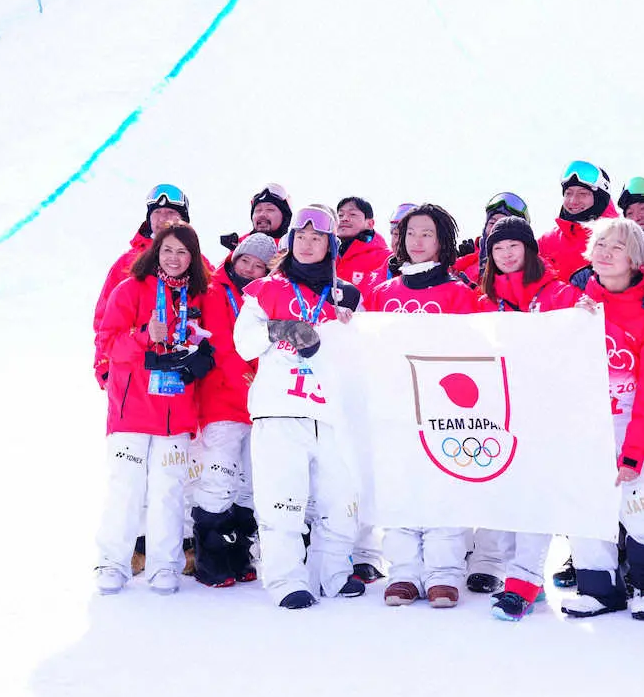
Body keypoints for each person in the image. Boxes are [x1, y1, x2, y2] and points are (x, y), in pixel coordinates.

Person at [233, 204, 365, 610]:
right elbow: (243, 343)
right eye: (301, 238)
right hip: (279, 410)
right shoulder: (265, 289)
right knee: (283, 501)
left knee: (339, 502)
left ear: (330, 245)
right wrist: (277, 327)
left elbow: (362, 354)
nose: (307, 245)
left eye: (317, 239)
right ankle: (286, 579)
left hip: (331, 413)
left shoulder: (347, 295)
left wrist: (351, 328)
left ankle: (333, 573)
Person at [559, 218, 644, 621]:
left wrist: (634, 452)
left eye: (618, 247)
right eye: (601, 245)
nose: (606, 253)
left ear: (636, 258)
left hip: (638, 423)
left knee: (643, 503)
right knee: (586, 503)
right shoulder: (579, 306)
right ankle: (598, 588)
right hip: (588, 426)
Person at [466, 217, 584, 615]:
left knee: (535, 495)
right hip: (498, 411)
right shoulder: (483, 300)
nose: (506, 254)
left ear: (529, 249)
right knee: (504, 496)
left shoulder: (559, 294)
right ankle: (515, 574)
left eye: (513, 246)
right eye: (498, 248)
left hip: (547, 411)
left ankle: (523, 583)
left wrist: (586, 313)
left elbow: (581, 337)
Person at [367, 204, 479, 608]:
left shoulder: (459, 293)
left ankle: (443, 573)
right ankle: (403, 573)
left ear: (442, 241)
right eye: (410, 233)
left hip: (443, 407)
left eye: (427, 233)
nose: (417, 241)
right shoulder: (383, 293)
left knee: (443, 486)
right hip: (394, 405)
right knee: (399, 486)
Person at [94, 222, 216, 595]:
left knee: (169, 491)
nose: (174, 259)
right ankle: (112, 563)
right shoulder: (129, 289)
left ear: (193, 258)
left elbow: (213, 342)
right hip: (132, 408)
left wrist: (201, 357)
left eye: (183, 252)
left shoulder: (199, 297)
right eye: (167, 250)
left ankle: (164, 565)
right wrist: (144, 336)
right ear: (155, 253)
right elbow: (108, 343)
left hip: (176, 410)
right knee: (126, 489)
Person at [190, 233, 276, 588]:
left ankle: (239, 554)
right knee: (219, 477)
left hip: (256, 403)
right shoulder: (214, 291)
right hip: (223, 400)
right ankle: (210, 560)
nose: (250, 270)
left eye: (259, 266)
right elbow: (222, 346)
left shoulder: (266, 295)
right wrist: (252, 385)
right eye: (246, 261)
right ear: (234, 258)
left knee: (249, 484)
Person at [93, 184, 192, 390]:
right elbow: (104, 319)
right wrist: (103, 365)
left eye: (170, 212)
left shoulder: (197, 263)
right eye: (157, 213)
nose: (163, 218)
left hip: (181, 378)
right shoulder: (127, 263)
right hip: (133, 376)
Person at [538, 160, 618, 282]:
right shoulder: (547, 242)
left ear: (599, 198)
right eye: (568, 193)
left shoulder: (622, 237)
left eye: (583, 194)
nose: (573, 200)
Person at [455, 192, 530, 288]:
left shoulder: (530, 267)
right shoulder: (468, 265)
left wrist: (473, 291)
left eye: (502, 223)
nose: (495, 228)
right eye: (492, 222)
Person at [336, 196, 392, 297]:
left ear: (370, 223)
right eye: (340, 215)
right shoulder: (327, 256)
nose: (344, 219)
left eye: (352, 214)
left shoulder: (388, 259)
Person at [219, 183, 292, 251]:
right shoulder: (241, 245)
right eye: (258, 210)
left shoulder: (292, 249)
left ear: (285, 218)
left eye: (270, 209)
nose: (262, 214)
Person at [383, 203, 416, 280]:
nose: (399, 241)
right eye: (396, 234)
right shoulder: (374, 279)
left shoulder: (438, 277)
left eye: (406, 235)